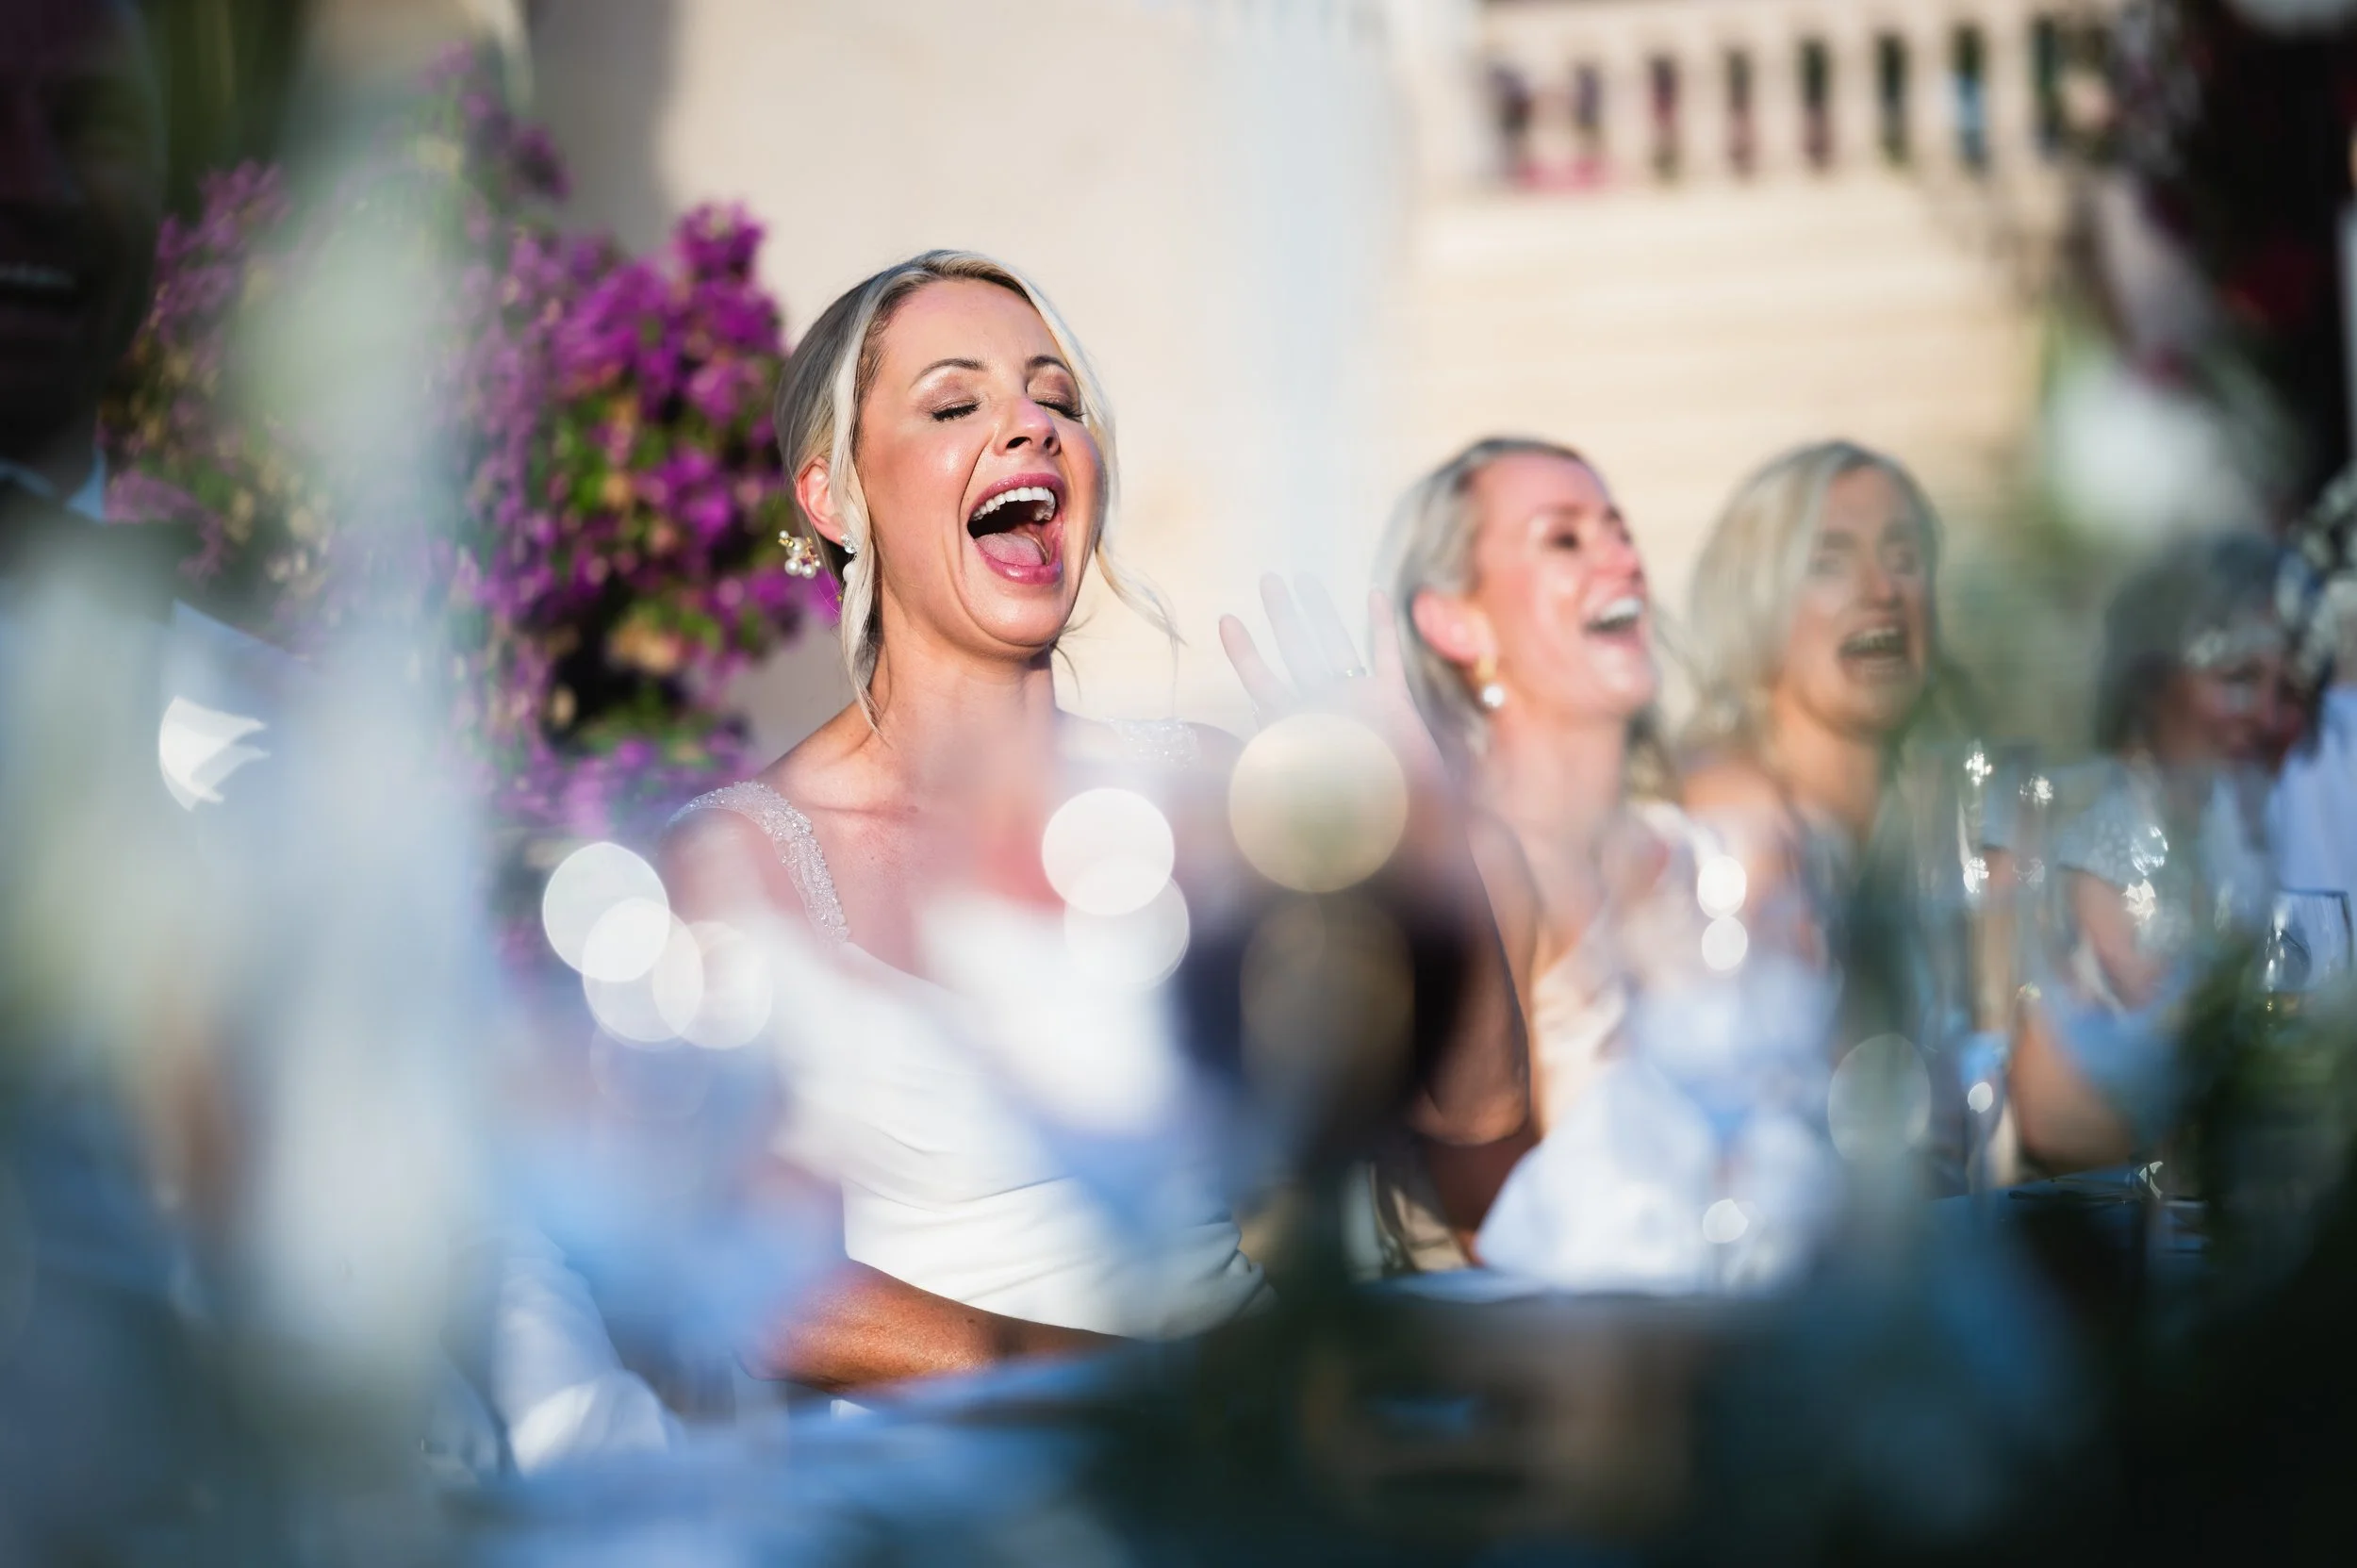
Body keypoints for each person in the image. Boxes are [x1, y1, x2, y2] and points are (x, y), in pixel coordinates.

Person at [662, 251, 1525, 1391]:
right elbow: (731, 1275)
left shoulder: (1199, 795)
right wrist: (1125, 1391)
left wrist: (1415, 845)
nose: (1031, 428)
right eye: (957, 402)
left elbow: (1481, 1147)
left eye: (1057, 400)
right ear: (833, 496)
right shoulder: (736, 859)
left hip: (1255, 1441)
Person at [1372, 437, 1690, 1265]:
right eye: (1565, 538)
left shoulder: (1680, 851)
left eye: (1620, 531)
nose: (1622, 559)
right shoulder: (1477, 870)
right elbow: (1493, 1231)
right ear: (1456, 621)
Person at [1679, 439, 1974, 1193]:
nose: (1882, 590)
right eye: (1831, 561)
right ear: (1756, 598)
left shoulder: (1948, 817)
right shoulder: (1736, 827)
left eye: (1905, 555)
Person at [2008, 534, 2283, 1169]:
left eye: (2286, 686)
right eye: (2239, 678)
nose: (2268, 713)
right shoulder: (2100, 850)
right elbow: (2052, 1118)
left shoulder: (2246, 829)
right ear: (2153, 682)